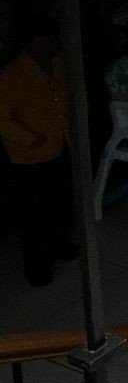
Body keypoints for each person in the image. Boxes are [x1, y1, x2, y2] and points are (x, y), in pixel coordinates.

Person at [0, 19, 77, 287]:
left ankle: (61, 245)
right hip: (28, 156)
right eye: (43, 39)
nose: (49, 44)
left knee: (59, 202)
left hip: (58, 147)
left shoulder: (57, 65)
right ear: (29, 43)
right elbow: (3, 119)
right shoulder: (11, 75)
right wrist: (30, 140)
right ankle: (36, 266)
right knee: (34, 213)